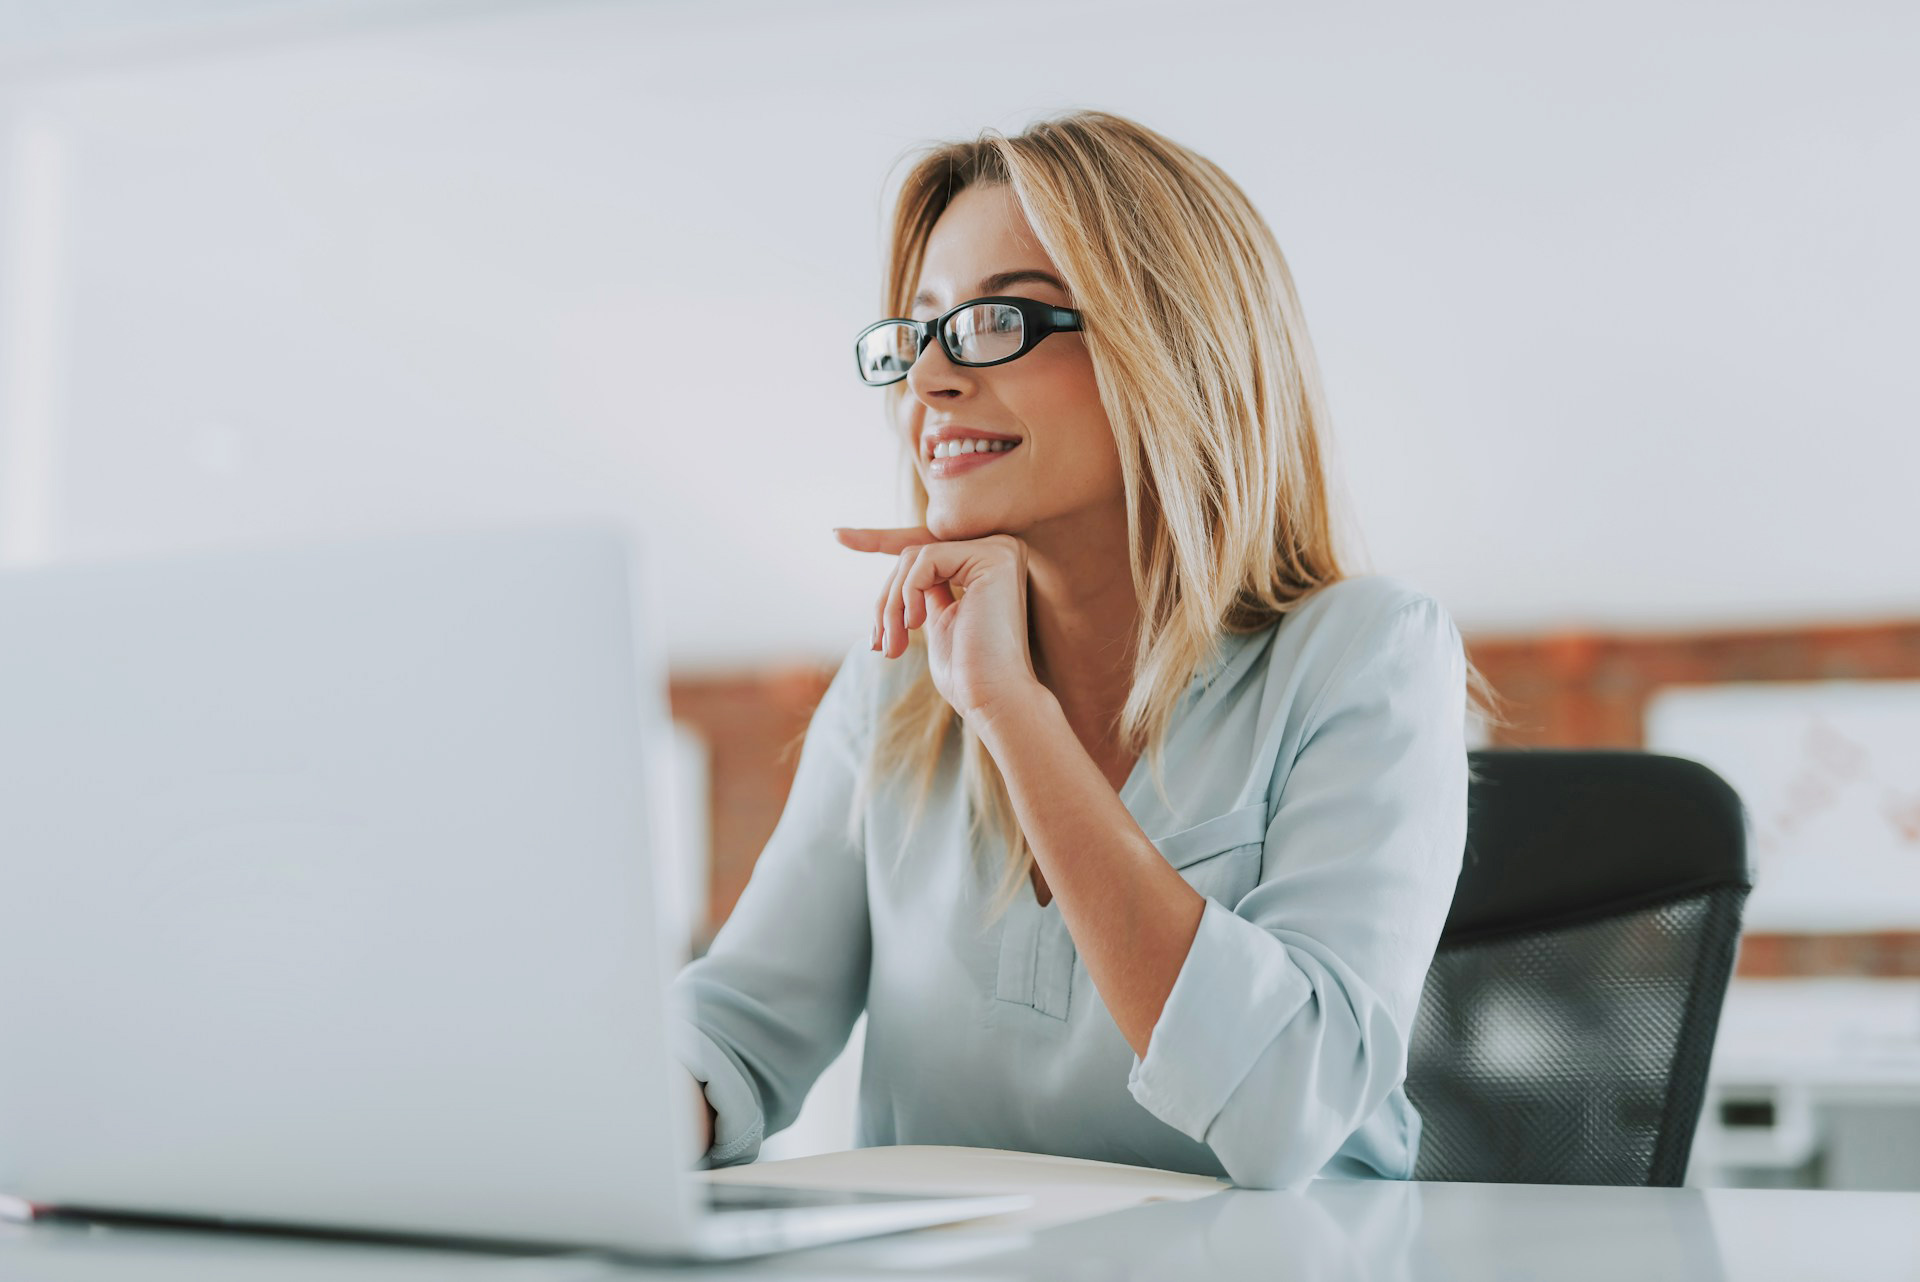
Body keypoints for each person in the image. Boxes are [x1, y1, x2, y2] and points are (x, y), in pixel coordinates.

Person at [668, 108, 1496, 1190]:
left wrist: (1016, 716)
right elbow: (735, 1028)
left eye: (998, 320)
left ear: (1174, 349)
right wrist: (601, 1119)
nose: (931, 383)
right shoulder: (900, 679)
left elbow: (1286, 1108)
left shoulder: (1367, 655)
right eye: (921, 332)